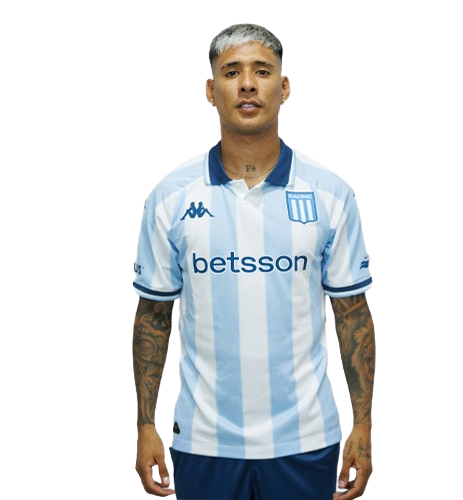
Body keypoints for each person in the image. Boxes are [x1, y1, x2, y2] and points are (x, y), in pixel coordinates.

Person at [132, 22, 375, 500]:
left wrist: (363, 426)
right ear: (210, 91)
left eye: (262, 71)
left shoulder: (331, 193)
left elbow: (352, 315)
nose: (247, 84)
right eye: (231, 72)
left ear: (284, 88)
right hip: (203, 440)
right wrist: (145, 425)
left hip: (307, 439)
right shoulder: (170, 196)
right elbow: (153, 316)